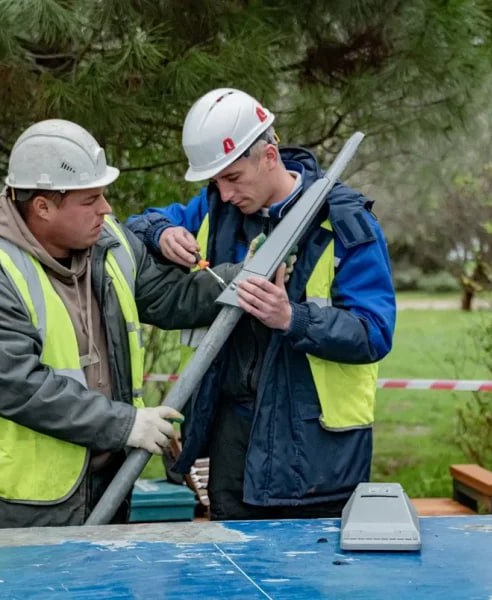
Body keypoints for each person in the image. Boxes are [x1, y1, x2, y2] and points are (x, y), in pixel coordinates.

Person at [0, 119, 239, 529]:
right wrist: (126, 424)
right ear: (43, 207)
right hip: (28, 504)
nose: (106, 209)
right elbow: (20, 388)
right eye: (90, 200)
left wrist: (243, 277)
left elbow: (172, 298)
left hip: (110, 483)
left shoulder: (111, 246)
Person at [127, 88, 396, 520]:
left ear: (270, 155)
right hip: (231, 450)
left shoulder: (344, 223)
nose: (225, 193)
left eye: (232, 178)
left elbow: (374, 332)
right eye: (214, 181)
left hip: (315, 459)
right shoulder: (216, 209)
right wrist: (161, 232)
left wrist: (293, 318)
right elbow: (135, 226)